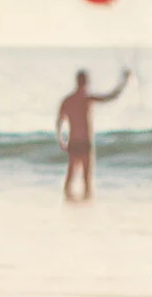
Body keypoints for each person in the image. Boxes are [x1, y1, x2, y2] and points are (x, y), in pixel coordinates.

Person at [56, 67, 130, 202]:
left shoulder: (68, 100)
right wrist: (123, 82)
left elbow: (59, 122)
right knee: (86, 179)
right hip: (85, 143)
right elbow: (110, 97)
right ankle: (85, 206)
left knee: (70, 176)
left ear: (77, 81)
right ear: (86, 82)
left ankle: (67, 202)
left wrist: (61, 140)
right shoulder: (86, 99)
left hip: (73, 142)